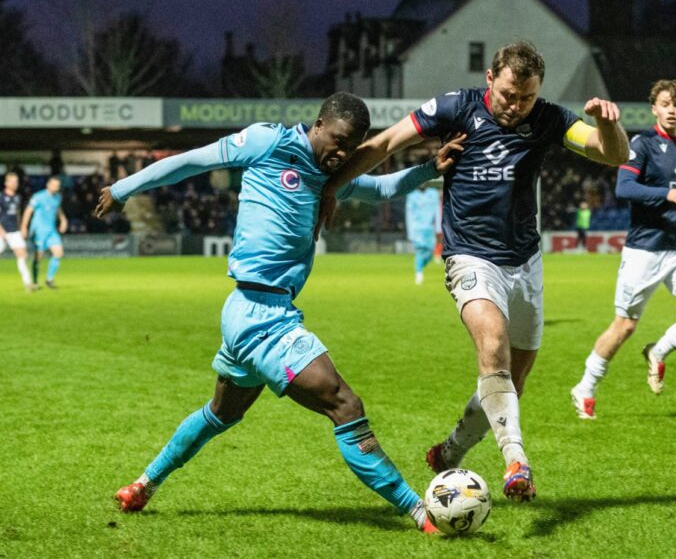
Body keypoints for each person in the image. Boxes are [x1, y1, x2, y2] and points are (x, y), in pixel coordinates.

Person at [94, 92, 464, 533]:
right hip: (263, 317)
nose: (343, 155)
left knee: (220, 414)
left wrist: (429, 169)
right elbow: (191, 161)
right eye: (339, 141)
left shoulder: (329, 175)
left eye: (354, 147)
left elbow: (382, 187)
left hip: (247, 313)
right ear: (319, 124)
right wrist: (120, 190)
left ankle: (143, 484)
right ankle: (421, 514)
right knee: (345, 404)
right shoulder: (268, 142)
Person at [319, 42, 628, 501]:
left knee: (511, 382)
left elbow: (612, 154)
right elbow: (384, 143)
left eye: (525, 98)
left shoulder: (547, 118)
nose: (515, 106)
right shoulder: (454, 107)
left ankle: (450, 451)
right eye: (507, 94)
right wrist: (332, 187)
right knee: (493, 344)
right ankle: (516, 462)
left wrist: (609, 123)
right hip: (470, 256)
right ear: (490, 79)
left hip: (525, 263)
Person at [570, 79, 676, 420]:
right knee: (624, 326)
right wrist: (665, 195)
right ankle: (585, 387)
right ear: (655, 108)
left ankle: (659, 350)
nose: (672, 110)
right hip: (644, 251)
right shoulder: (642, 144)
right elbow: (624, 188)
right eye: (665, 104)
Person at [20, 175, 67, 289]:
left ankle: (49, 279)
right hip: (38, 231)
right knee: (38, 257)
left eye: (58, 186)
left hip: (51, 231)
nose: (56, 187)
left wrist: (63, 219)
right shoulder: (38, 197)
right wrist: (24, 227)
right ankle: (35, 281)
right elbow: (28, 211)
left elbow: (57, 208)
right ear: (48, 185)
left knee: (58, 253)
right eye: (54, 185)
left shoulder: (57, 197)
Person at [0, 173, 35, 292]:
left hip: (14, 231)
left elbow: (18, 214)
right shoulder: (1, 197)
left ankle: (28, 283)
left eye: (17, 181)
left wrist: (22, 228)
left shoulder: (18, 197)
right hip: (2, 231)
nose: (15, 184)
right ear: (6, 183)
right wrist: (1, 231)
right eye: (13, 181)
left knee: (22, 256)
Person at [405, 182, 441, 284]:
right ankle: (419, 273)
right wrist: (410, 233)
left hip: (429, 228)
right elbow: (409, 214)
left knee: (430, 253)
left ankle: (420, 266)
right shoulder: (411, 195)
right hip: (417, 229)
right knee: (420, 252)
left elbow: (437, 211)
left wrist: (438, 228)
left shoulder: (433, 194)